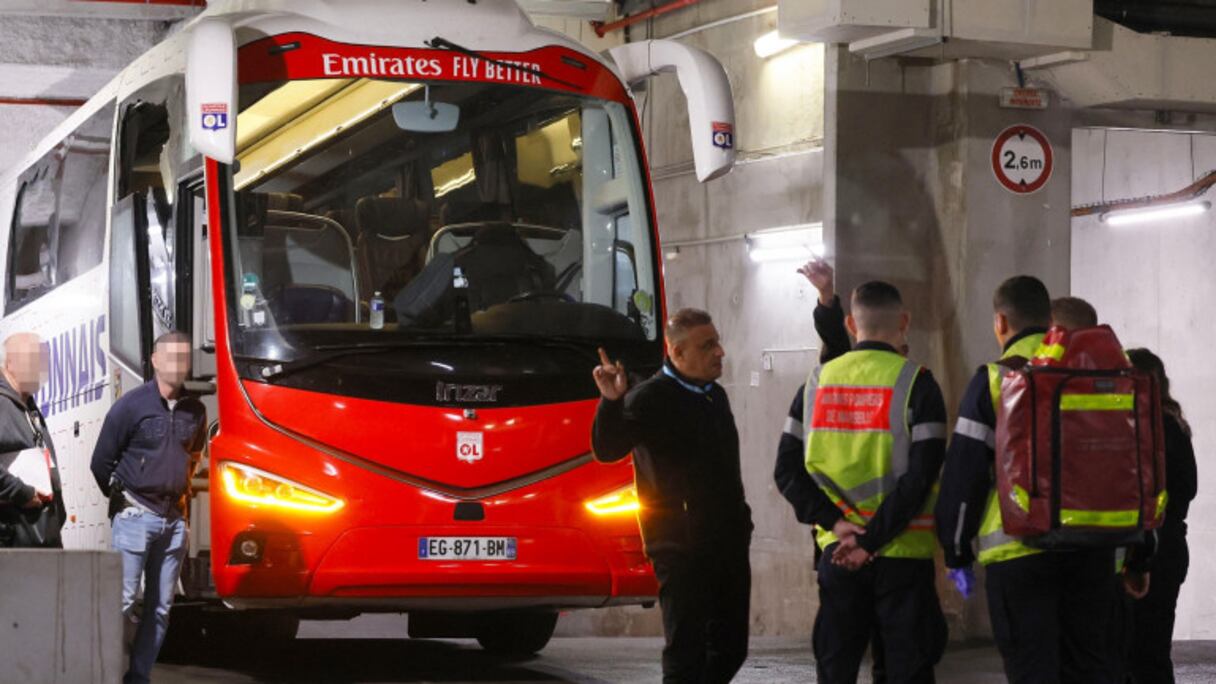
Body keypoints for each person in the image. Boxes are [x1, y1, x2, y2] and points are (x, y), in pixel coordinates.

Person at [936, 276, 1118, 684]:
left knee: (1032, 671)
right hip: (1092, 549)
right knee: (1088, 669)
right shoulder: (1098, 372)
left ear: (1001, 322)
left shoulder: (995, 378)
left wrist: (956, 550)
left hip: (1019, 553)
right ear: (1050, 319)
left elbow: (964, 472)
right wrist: (1140, 548)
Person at [591, 308, 753, 683]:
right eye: (707, 345)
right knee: (686, 651)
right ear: (677, 353)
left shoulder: (716, 397)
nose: (720, 352)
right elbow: (607, 448)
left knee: (731, 648)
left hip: (727, 542)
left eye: (718, 341)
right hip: (678, 546)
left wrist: (741, 522)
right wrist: (611, 402)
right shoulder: (649, 398)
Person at [802, 280, 948, 683]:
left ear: (851, 323)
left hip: (838, 553)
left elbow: (786, 471)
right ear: (905, 321)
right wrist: (872, 541)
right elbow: (922, 476)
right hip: (903, 556)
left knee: (836, 669)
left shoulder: (817, 383)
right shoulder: (918, 383)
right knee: (907, 669)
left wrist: (836, 525)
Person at [773, 258, 888, 682]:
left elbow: (785, 471)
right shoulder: (909, 382)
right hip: (882, 543)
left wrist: (839, 527)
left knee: (839, 658)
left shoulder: (833, 384)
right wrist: (825, 299)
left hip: (840, 541)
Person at [90, 331, 207, 684]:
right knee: (122, 603)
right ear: (155, 361)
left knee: (159, 609)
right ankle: (104, 674)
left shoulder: (195, 410)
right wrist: (123, 503)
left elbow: (195, 457)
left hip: (174, 522)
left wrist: (182, 506)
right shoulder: (131, 406)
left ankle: (137, 678)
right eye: (169, 356)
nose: (176, 363)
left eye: (183, 357)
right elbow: (101, 462)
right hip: (135, 516)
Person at [1125, 348, 1197, 683]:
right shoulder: (1175, 425)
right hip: (1170, 548)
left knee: (1134, 654)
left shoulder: (1143, 429)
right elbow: (1188, 488)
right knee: (1152, 652)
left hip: (1145, 548)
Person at [0, 332, 62, 547]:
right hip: (14, 537)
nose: (40, 370)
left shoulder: (28, 406)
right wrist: (21, 492)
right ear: (10, 363)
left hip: (41, 532)